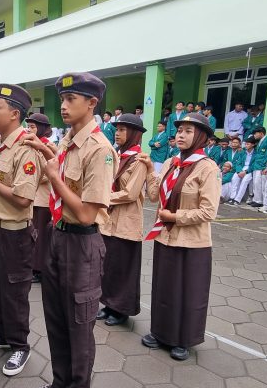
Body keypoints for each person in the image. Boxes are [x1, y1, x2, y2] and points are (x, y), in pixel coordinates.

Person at [28, 72, 117, 388]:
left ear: (92, 103)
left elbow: (84, 213)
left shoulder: (100, 151)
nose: (63, 106)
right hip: (57, 236)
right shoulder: (67, 142)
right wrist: (51, 157)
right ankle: (60, 380)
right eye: (62, 100)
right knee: (55, 316)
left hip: (82, 243)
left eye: (71, 99)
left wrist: (52, 176)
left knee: (79, 321)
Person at [140, 112, 220, 361]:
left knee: (188, 292)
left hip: (192, 242)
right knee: (164, 289)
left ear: (202, 138)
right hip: (165, 237)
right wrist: (148, 170)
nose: (180, 135)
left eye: (188, 131)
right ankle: (161, 332)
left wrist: (175, 217)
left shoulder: (207, 168)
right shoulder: (170, 163)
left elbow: (209, 211)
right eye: (180, 131)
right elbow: (154, 196)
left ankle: (183, 339)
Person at [0, 84, 41, 377]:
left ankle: (20, 345)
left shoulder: (26, 149)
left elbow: (24, 198)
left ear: (15, 114)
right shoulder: (1, 145)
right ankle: (3, 334)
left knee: (14, 290)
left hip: (15, 232)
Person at [97, 113, 147, 327]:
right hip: (108, 220)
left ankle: (121, 309)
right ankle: (108, 304)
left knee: (124, 267)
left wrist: (101, 197)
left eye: (123, 130)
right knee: (109, 265)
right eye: (117, 129)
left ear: (134, 133)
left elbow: (130, 193)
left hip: (127, 221)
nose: (118, 133)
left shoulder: (139, 160)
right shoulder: (116, 155)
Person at [25, 113, 56, 284]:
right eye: (28, 126)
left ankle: (41, 269)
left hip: (43, 198)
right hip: (33, 196)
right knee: (34, 233)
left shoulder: (48, 146)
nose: (29, 130)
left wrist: (29, 176)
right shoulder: (30, 145)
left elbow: (48, 172)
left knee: (42, 235)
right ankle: (34, 266)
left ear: (43, 128)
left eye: (33, 127)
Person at [230, 136, 256, 205]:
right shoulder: (242, 152)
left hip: (249, 170)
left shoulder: (256, 153)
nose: (246, 145)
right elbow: (238, 163)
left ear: (253, 145)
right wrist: (239, 171)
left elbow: (253, 165)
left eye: (248, 144)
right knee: (234, 178)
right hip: (241, 168)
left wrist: (245, 172)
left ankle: (237, 200)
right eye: (246, 144)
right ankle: (232, 197)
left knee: (244, 181)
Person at [248, 127, 267, 208]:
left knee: (259, 183)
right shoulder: (259, 142)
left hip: (261, 165)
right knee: (255, 183)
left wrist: (264, 166)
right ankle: (256, 199)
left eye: (255, 133)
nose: (254, 135)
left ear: (261, 133)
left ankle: (260, 200)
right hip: (256, 165)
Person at [221, 137, 245, 202]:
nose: (234, 144)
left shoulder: (241, 152)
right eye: (233, 142)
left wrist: (231, 169)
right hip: (225, 169)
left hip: (233, 171)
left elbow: (240, 163)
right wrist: (223, 167)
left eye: (236, 143)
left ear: (240, 144)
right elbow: (224, 160)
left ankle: (229, 197)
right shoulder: (228, 151)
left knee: (227, 179)